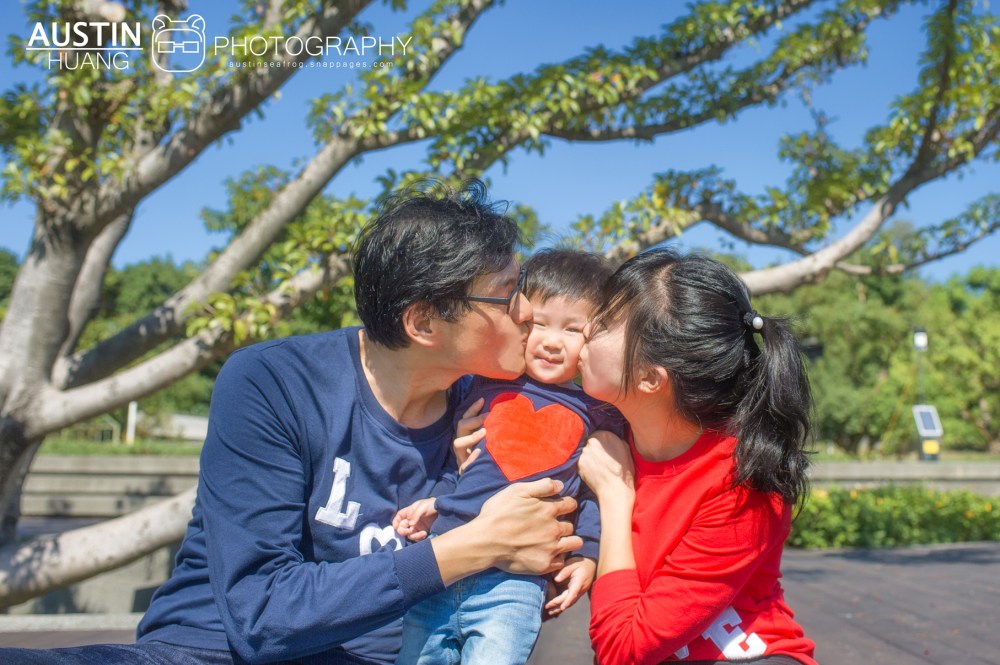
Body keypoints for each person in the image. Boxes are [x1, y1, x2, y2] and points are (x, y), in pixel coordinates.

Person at [0, 181, 583, 665]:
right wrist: (472, 546)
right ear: (424, 323)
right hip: (211, 649)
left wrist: (585, 546)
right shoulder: (274, 381)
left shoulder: (507, 410)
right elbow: (260, 612)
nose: (529, 311)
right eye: (508, 295)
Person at [577, 248, 818, 665]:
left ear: (649, 378)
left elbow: (624, 649)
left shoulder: (742, 484)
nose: (584, 329)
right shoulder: (602, 432)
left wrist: (615, 495)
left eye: (604, 323)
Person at [393, 249, 623, 665]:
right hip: (447, 552)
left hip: (516, 579)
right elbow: (466, 463)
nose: (551, 341)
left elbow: (591, 492)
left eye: (574, 330)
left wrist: (587, 553)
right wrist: (437, 501)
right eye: (538, 323)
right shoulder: (482, 383)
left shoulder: (597, 412)